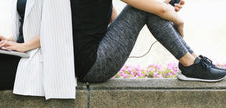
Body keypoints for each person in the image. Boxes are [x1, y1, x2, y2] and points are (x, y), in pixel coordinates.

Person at [70, 0, 226, 84]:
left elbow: (118, 23)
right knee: (147, 8)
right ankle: (191, 64)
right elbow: (156, 10)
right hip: (93, 66)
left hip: (86, 62)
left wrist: (163, 9)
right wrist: (176, 19)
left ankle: (194, 62)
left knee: (151, 8)